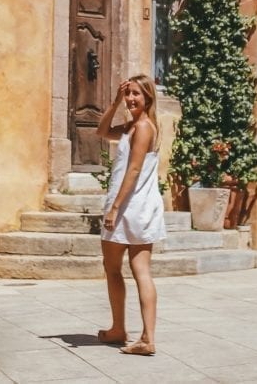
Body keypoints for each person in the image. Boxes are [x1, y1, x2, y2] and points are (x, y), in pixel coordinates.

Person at [95, 74, 167, 356]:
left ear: (148, 97)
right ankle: (119, 330)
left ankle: (142, 336)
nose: (131, 99)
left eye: (137, 94)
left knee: (118, 270)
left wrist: (114, 209)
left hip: (129, 207)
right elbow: (102, 131)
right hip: (140, 207)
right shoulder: (132, 126)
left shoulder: (143, 128)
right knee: (137, 271)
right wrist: (114, 103)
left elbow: (134, 170)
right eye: (128, 94)